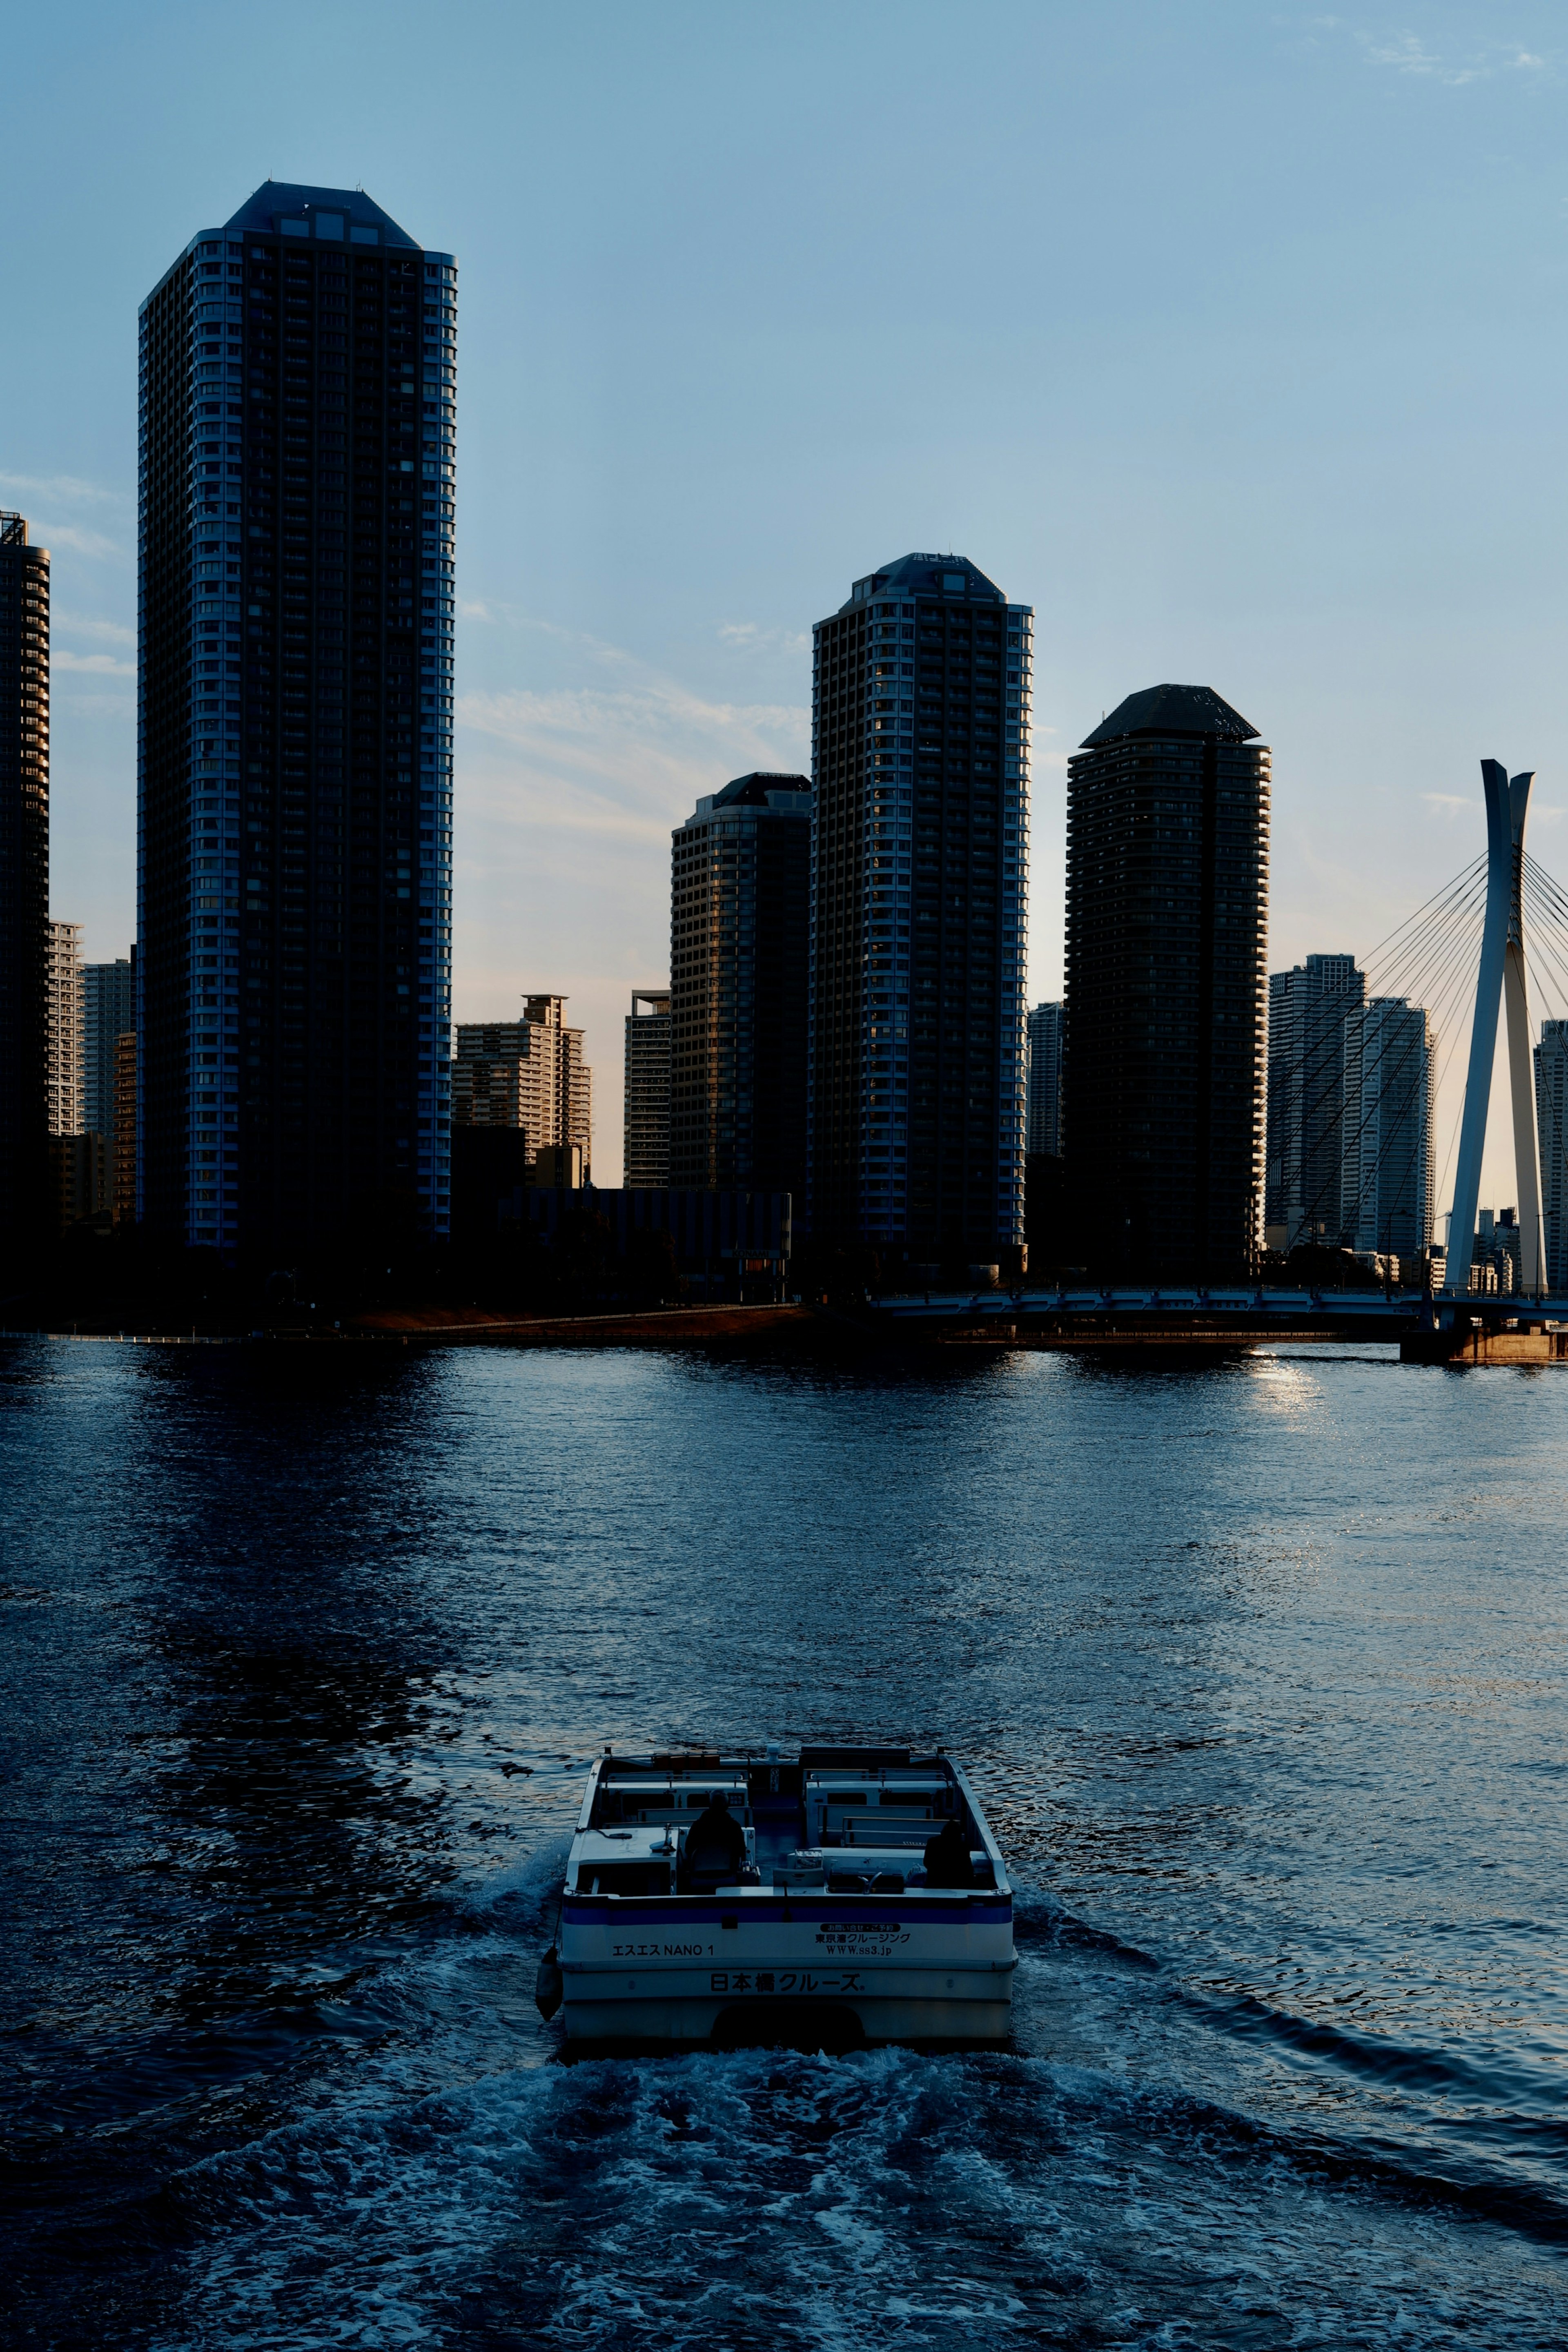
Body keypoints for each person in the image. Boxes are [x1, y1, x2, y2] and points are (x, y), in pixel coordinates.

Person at [682, 1790, 748, 1884]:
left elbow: (688, 1849)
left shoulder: (698, 1826)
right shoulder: (734, 1827)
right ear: (727, 1806)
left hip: (699, 1875)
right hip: (727, 1874)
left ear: (710, 1805)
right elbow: (741, 1851)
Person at [922, 1816, 976, 1889]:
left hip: (934, 1882)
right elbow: (967, 1868)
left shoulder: (932, 1842)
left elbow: (927, 1862)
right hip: (956, 1884)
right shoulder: (963, 1847)